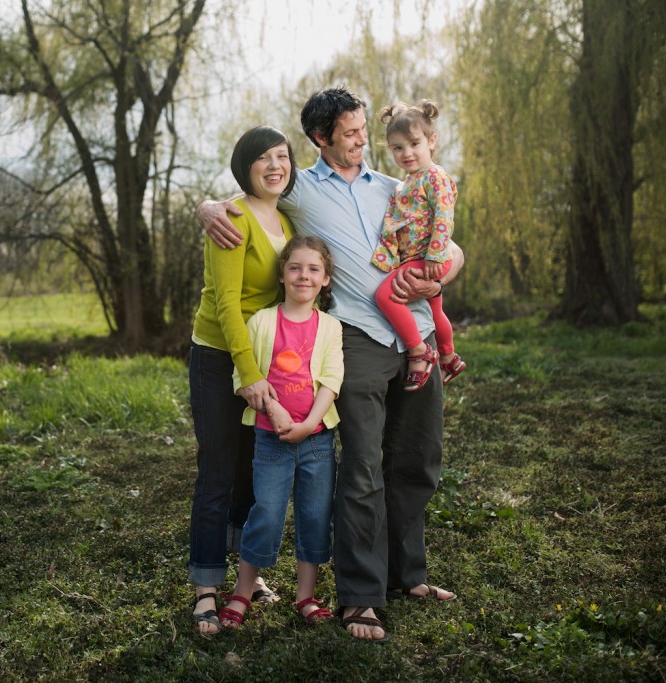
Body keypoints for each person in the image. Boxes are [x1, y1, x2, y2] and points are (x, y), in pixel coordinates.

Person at [198, 88, 463, 643]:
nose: (362, 140)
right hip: (361, 340)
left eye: (364, 129)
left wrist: (446, 271)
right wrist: (208, 206)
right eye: (349, 132)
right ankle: (361, 599)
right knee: (363, 467)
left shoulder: (397, 186)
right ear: (321, 138)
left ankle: (406, 577)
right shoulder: (300, 190)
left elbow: (449, 245)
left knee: (417, 461)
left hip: (413, 333)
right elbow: (253, 193)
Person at [188, 125, 298, 635]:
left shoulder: (289, 222)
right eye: (263, 158)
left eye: (283, 156)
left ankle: (245, 578)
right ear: (245, 166)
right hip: (219, 358)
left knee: (254, 474)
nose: (275, 166)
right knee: (218, 470)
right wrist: (247, 374)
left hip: (265, 361)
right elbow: (228, 305)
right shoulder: (232, 217)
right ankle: (206, 589)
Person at [216, 236, 344, 629]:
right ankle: (242, 591)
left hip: (318, 440)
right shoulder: (262, 322)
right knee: (266, 512)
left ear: (325, 280)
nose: (303, 275)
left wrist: (309, 425)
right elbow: (245, 376)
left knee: (315, 514)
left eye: (313, 269)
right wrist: (273, 409)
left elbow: (332, 380)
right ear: (282, 275)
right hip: (270, 438)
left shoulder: (331, 326)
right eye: (295, 267)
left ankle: (306, 595)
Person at [372, 100, 466, 391]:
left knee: (386, 296)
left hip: (429, 257)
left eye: (414, 143)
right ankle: (449, 355)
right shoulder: (407, 182)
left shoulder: (434, 176)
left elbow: (443, 216)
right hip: (418, 257)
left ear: (431, 140)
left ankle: (419, 351)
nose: (407, 153)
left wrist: (436, 255)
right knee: (435, 311)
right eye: (398, 148)